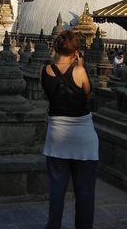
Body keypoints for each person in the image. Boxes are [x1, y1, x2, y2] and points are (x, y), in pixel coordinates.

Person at [40, 30, 98, 229]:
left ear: (55, 49)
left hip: (56, 135)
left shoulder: (44, 70)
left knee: (56, 191)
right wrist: (80, 67)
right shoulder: (78, 71)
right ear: (75, 52)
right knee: (85, 192)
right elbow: (88, 94)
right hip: (83, 136)